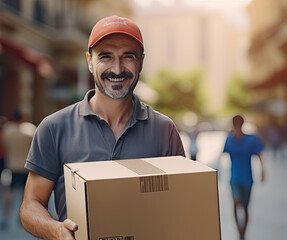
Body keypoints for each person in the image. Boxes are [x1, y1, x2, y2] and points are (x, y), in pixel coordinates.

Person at [19, 15, 185, 239]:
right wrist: (56, 230)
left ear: (142, 61)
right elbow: (31, 205)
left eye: (128, 57)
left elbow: (181, 205)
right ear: (89, 61)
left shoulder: (164, 130)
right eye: (105, 56)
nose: (117, 69)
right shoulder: (53, 128)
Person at [222, 115, 265, 240]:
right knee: (236, 203)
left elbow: (259, 154)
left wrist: (263, 170)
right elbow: (222, 155)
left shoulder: (251, 139)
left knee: (245, 207)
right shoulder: (229, 139)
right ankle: (238, 231)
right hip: (234, 178)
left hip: (247, 179)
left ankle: (243, 233)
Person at [0, 110, 36, 230]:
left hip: (12, 165)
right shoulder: (30, 130)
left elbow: (4, 145)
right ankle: (22, 217)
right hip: (27, 166)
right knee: (25, 194)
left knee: (9, 192)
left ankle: (5, 217)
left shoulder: (7, 129)